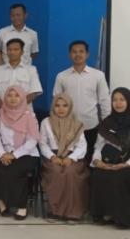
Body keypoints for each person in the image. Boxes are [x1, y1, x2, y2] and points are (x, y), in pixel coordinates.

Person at [0, 85, 39, 220]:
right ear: (5, 98)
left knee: (15, 170)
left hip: (27, 154)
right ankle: (2, 202)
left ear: (22, 98)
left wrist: (14, 155)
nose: (13, 99)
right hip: (4, 152)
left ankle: (22, 206)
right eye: (10, 95)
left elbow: (32, 140)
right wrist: (2, 154)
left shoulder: (29, 115)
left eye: (17, 95)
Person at [53, 40, 110, 161]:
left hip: (91, 127)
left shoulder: (98, 75)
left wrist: (107, 127)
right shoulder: (62, 76)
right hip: (68, 129)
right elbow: (56, 102)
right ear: (69, 54)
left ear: (87, 54)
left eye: (81, 51)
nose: (77, 54)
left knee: (90, 162)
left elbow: (105, 103)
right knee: (71, 163)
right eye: (74, 52)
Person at [39, 93, 89, 221]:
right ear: (53, 107)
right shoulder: (46, 122)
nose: (61, 109)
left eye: (65, 106)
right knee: (56, 172)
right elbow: (43, 144)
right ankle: (55, 212)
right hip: (52, 156)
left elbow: (82, 146)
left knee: (70, 172)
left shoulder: (77, 124)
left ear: (70, 107)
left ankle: (73, 213)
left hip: (72, 157)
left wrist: (71, 158)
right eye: (57, 105)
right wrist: (52, 157)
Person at [90, 87, 130, 228]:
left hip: (127, 165)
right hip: (109, 162)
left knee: (121, 176)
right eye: (115, 100)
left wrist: (126, 164)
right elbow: (98, 146)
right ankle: (105, 214)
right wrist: (97, 161)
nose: (118, 103)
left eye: (122, 100)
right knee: (99, 174)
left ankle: (122, 218)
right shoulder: (107, 123)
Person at [0, 38, 42, 107]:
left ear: (22, 52)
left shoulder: (31, 70)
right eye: (9, 50)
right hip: (3, 113)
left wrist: (18, 107)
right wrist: (5, 109)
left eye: (16, 49)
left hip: (25, 113)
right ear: (6, 51)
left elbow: (33, 92)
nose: (12, 52)